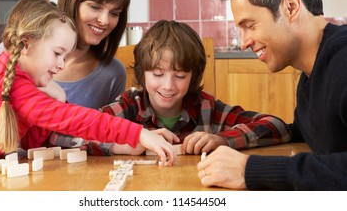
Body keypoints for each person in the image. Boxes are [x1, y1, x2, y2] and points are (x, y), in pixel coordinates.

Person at [0, 0, 177, 175]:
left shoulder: (18, 81)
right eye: (57, 53)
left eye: (65, 56)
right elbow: (77, 120)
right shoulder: (14, 85)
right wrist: (139, 134)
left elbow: (33, 141)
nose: (61, 65)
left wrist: (56, 99)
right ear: (26, 44)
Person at [197, 0, 347, 190]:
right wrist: (226, 140)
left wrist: (250, 171)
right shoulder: (312, 73)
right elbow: (304, 132)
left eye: (250, 25)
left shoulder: (343, 61)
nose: (244, 41)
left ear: (291, 6)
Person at [49, 20, 291, 156]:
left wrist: (222, 140)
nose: (168, 86)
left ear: (193, 77)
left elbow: (278, 126)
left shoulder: (206, 106)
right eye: (157, 74)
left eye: (180, 75)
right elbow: (60, 134)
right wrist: (123, 143)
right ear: (142, 74)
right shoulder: (130, 105)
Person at [0, 0, 129, 109]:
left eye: (114, 13)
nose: (104, 20)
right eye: (95, 7)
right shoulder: (20, 46)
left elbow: (105, 128)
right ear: (73, 0)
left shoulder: (113, 74)